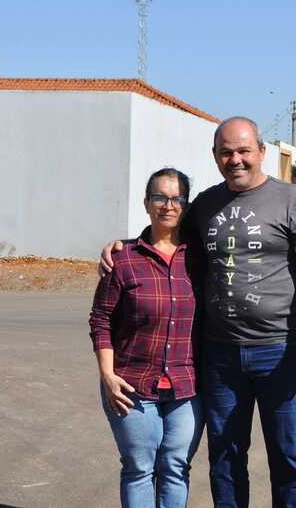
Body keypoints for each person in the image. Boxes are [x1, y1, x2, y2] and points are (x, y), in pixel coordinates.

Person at [101, 117, 296, 508]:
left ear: (262, 152)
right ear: (215, 156)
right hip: (219, 354)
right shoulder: (206, 204)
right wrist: (120, 245)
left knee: (289, 456)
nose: (236, 160)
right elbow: (164, 230)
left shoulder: (292, 200)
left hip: (278, 349)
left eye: (244, 151)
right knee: (225, 456)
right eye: (226, 152)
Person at [89, 168, 204, 508]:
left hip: (187, 387)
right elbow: (101, 319)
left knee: (176, 466)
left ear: (185, 204)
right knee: (139, 468)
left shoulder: (200, 259)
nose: (168, 205)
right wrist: (107, 376)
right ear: (146, 203)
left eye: (176, 198)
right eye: (159, 197)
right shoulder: (124, 259)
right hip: (131, 386)